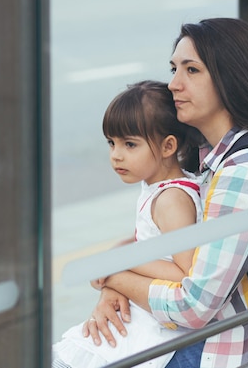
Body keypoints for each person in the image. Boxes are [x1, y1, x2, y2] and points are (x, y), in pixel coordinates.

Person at [83, 18, 248, 368]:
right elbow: (187, 250)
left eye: (192, 70)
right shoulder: (232, 154)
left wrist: (116, 274)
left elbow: (192, 306)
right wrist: (115, 277)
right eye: (173, 68)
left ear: (231, 78)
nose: (173, 84)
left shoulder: (245, 174)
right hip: (237, 335)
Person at [52, 80, 204, 368]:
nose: (116, 155)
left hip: (156, 324)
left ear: (168, 146)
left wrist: (122, 262)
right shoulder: (160, 189)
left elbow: (184, 272)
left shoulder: (171, 199)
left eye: (129, 144)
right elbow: (155, 244)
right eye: (112, 143)